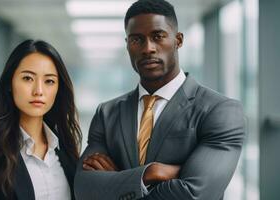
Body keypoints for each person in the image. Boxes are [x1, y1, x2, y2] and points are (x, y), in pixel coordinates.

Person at [74, 0, 245, 199]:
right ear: (128, 45)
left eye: (158, 36)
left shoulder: (220, 110)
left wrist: (118, 182)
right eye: (137, 39)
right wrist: (151, 173)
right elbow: (84, 189)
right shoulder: (107, 113)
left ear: (178, 40)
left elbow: (193, 194)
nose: (148, 48)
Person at [0, 39, 82, 200]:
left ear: (58, 89)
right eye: (28, 78)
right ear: (10, 83)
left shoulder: (67, 151)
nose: (38, 90)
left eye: (49, 81)